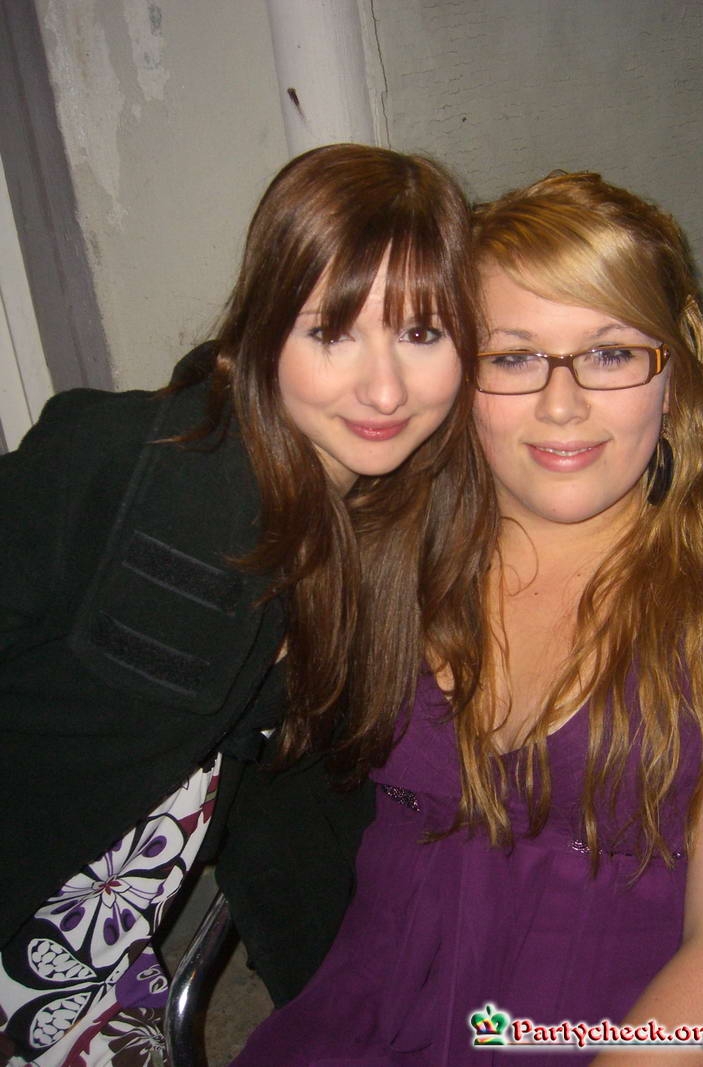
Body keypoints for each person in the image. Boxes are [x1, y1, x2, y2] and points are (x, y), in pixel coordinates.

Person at [231, 172, 703, 1065]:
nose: (561, 404)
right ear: (458, 376)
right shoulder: (385, 556)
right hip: (380, 1008)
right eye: (512, 357)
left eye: (611, 353)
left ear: (674, 371)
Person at [0, 142, 485, 1066]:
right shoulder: (131, 466)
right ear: (262, 330)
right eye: (332, 331)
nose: (385, 388)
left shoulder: (389, 518)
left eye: (422, 334)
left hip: (96, 962)